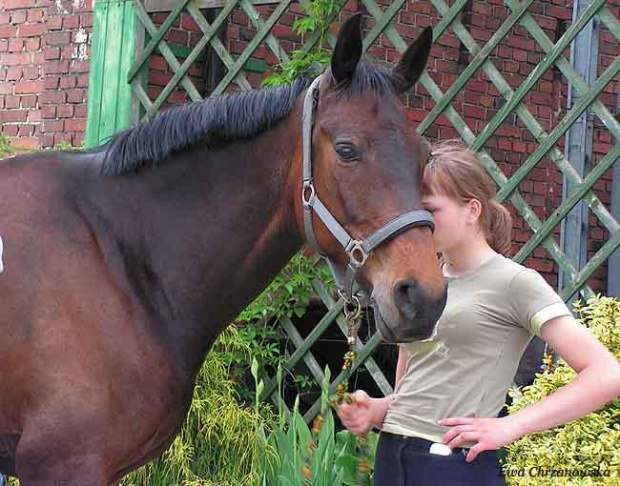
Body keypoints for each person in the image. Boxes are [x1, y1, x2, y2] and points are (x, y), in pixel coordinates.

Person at [336, 140, 620, 486]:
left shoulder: (514, 283)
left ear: (472, 210)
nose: (417, 223)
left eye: (430, 211)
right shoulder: (425, 286)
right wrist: (376, 410)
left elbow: (607, 375)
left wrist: (511, 425)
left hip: (454, 467)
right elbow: (412, 390)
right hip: (392, 458)